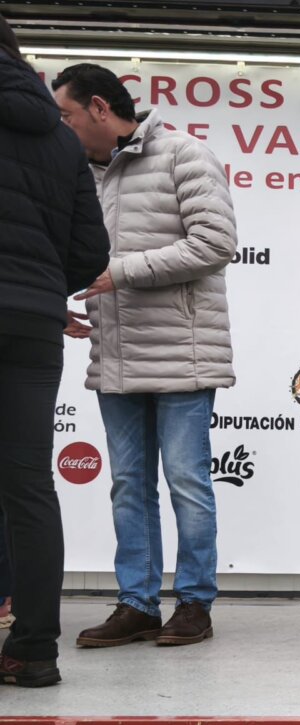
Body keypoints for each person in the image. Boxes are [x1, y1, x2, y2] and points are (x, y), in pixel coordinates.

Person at [52, 63, 236, 649]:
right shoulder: (80, 172)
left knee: (186, 482)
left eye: (69, 114)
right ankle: (136, 604)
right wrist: (52, 299)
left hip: (183, 354)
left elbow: (216, 243)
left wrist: (120, 274)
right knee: (129, 484)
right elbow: (69, 252)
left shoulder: (185, 153)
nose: (64, 125)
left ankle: (195, 604)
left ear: (101, 109)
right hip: (115, 356)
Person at [0, 22, 110, 687]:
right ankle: (35, 650)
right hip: (33, 322)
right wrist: (43, 286)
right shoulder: (57, 137)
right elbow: (90, 251)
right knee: (29, 486)